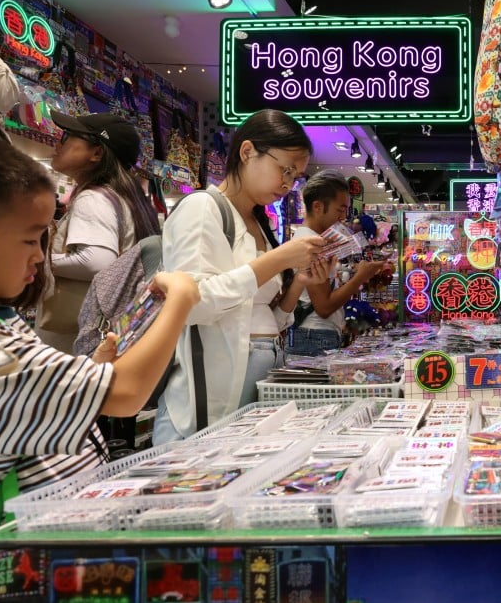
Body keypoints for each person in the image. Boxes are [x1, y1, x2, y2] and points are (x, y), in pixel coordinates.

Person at [0, 135, 199, 520]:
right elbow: (126, 393)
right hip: (16, 549)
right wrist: (178, 301)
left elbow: (34, 404)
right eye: (29, 239)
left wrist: (91, 370)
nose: (39, 255)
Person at [152, 109, 326, 444]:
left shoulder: (258, 223)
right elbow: (191, 304)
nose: (289, 183)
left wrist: (300, 281)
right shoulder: (203, 207)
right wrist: (278, 259)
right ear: (247, 152)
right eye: (284, 169)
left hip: (247, 402)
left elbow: (260, 316)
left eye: (296, 176)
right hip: (203, 411)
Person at [36, 112, 161, 352]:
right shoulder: (130, 199)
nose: (58, 143)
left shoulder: (93, 198)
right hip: (116, 331)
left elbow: (97, 262)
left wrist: (38, 260)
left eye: (68, 136)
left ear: (97, 153)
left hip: (76, 337)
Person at [288, 172, 389, 356]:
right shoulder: (311, 245)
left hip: (313, 335)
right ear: (318, 207)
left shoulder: (312, 240)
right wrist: (359, 277)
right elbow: (324, 307)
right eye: (340, 209)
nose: (343, 217)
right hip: (314, 337)